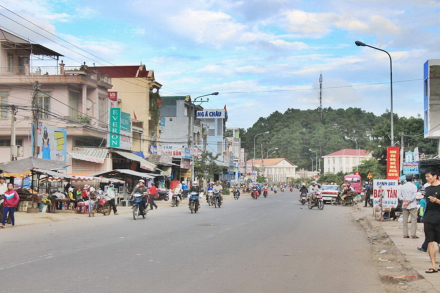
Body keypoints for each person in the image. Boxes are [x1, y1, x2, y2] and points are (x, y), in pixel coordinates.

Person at [421, 168, 440, 273]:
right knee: (430, 242)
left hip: (438, 218)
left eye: (429, 176)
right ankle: (433, 266)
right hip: (428, 218)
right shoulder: (427, 189)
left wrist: (437, 201)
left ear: (435, 176)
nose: (427, 178)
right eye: (426, 177)